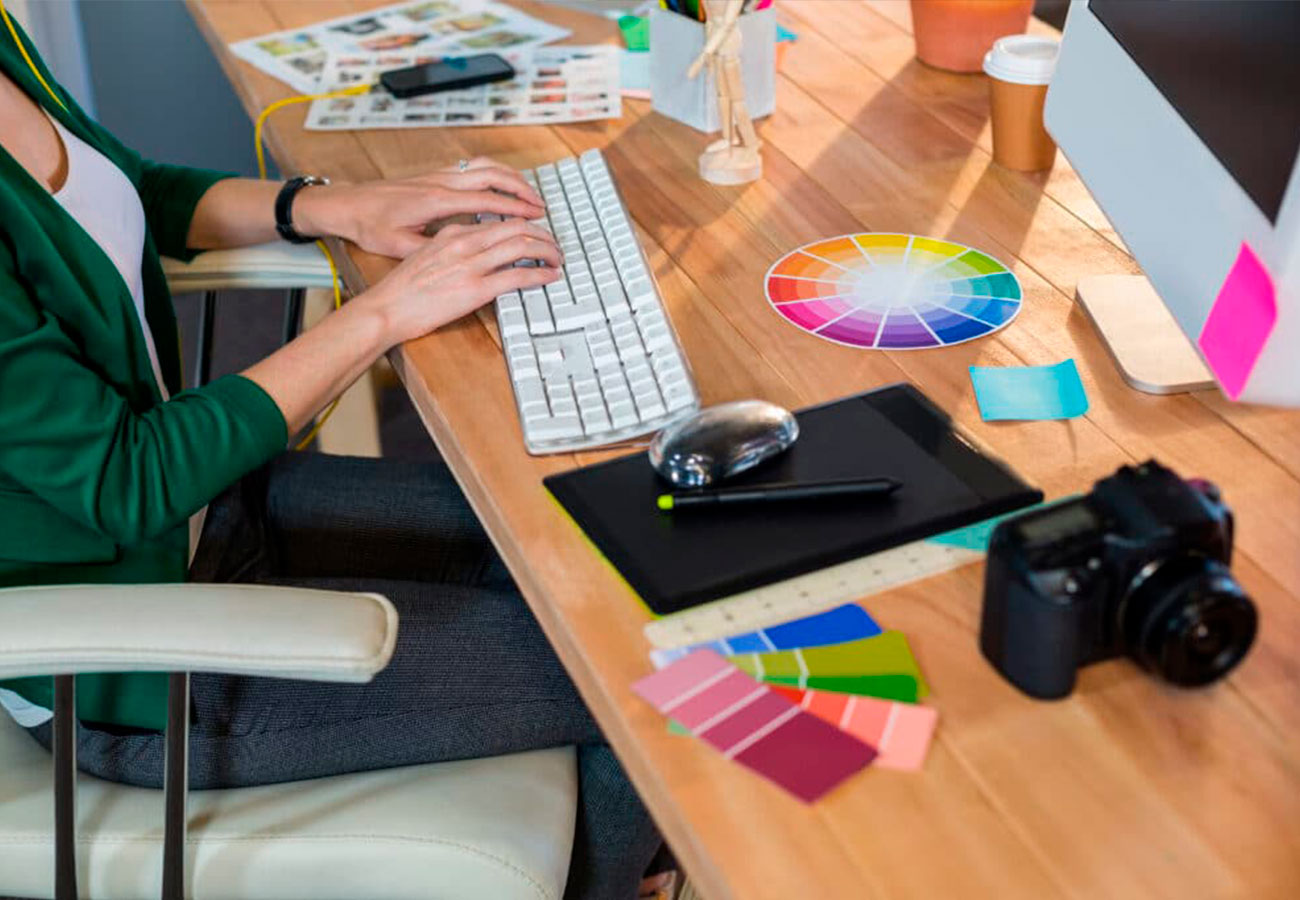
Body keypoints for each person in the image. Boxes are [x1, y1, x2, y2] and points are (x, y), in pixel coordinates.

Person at [0, 16, 664, 900]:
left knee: (610, 539)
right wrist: (386, 313)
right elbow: (128, 483)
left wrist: (332, 205)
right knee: (647, 668)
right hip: (124, 662)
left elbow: (133, 188)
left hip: (209, 522)